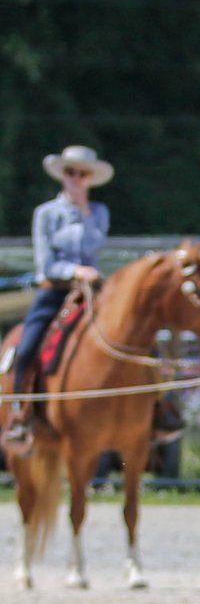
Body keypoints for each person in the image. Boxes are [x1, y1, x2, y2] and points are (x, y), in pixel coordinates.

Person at [2, 145, 111, 452]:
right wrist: (76, 270)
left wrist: (84, 212)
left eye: (82, 174)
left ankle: (153, 414)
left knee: (126, 332)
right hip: (55, 289)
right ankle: (19, 413)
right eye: (70, 172)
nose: (76, 178)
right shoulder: (46, 213)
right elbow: (45, 262)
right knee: (26, 347)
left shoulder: (99, 212)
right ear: (63, 176)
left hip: (89, 289)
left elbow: (93, 248)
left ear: (90, 178)